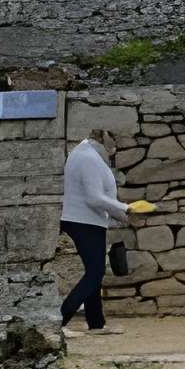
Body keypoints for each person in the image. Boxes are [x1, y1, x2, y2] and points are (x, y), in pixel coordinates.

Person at [59, 128, 133, 332]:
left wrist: (119, 214)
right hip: (85, 221)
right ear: (101, 141)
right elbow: (94, 197)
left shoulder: (84, 154)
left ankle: (96, 323)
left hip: (86, 220)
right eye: (111, 146)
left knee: (94, 272)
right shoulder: (89, 158)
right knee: (95, 272)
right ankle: (60, 319)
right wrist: (125, 208)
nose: (113, 151)